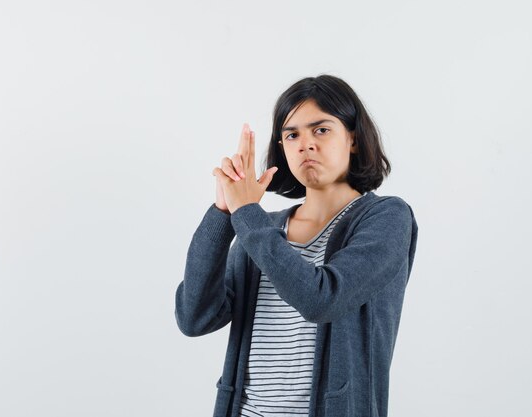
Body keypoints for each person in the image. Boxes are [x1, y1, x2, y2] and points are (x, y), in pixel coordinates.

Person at [174, 74, 419, 417]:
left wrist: (246, 214)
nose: (305, 144)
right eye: (292, 134)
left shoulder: (387, 218)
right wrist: (222, 213)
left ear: (353, 138)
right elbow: (194, 317)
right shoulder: (264, 229)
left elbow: (322, 299)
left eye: (321, 129)